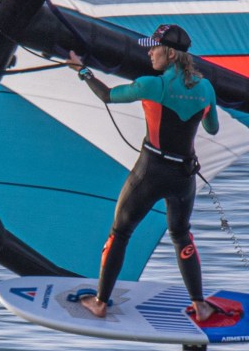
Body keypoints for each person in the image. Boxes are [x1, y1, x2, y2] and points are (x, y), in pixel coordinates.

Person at [66, 24, 219, 321]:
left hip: (151, 172)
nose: (149, 52)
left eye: (155, 47)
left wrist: (81, 71)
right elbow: (212, 128)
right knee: (181, 234)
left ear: (170, 53)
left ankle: (100, 302)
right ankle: (200, 305)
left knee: (120, 232)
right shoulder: (206, 87)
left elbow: (108, 96)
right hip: (184, 177)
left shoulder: (152, 85)